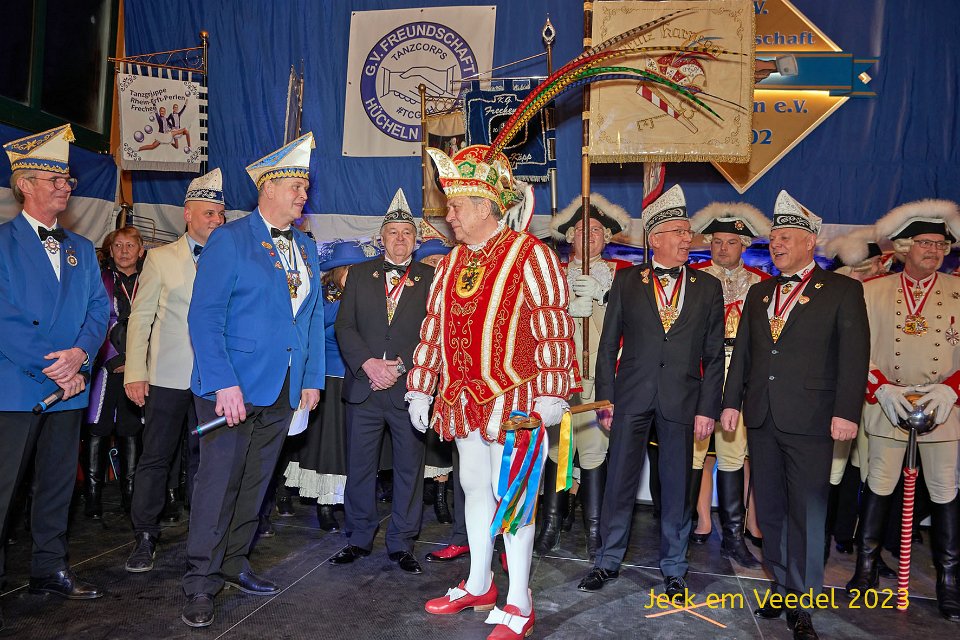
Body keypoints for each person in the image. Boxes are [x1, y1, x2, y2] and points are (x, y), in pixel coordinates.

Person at [407, 144, 574, 639]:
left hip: (516, 401)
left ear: (485, 207)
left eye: (457, 206)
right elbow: (433, 328)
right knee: (474, 487)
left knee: (514, 497)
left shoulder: (531, 254)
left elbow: (553, 325)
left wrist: (551, 391)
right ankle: (479, 583)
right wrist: (422, 388)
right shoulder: (451, 262)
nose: (449, 215)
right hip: (461, 401)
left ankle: (519, 599)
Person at [180, 133, 325, 627]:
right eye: (295, 186)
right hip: (233, 388)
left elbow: (309, 319)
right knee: (218, 483)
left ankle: (235, 561)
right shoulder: (230, 238)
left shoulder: (306, 247)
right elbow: (204, 316)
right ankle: (201, 579)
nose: (303, 195)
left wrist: (310, 378)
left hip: (283, 388)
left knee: (255, 483)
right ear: (268, 189)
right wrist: (223, 382)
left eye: (305, 187)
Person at [721, 190, 869, 640]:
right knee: (771, 510)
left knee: (806, 512)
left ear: (810, 242)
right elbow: (743, 355)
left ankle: (804, 602)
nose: (777, 243)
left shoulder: (842, 290)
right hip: (762, 417)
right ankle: (781, 585)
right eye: (773, 237)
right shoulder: (759, 292)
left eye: (786, 237)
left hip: (814, 419)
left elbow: (854, 357)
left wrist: (847, 412)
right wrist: (730, 402)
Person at [577, 185, 725, 601]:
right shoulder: (627, 281)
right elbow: (608, 345)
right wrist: (605, 399)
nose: (687, 239)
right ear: (655, 238)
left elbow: (714, 356)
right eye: (678, 232)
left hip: (682, 400)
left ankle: (675, 569)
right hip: (630, 397)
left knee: (676, 487)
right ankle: (607, 561)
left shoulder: (708, 287)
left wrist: (708, 408)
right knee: (619, 483)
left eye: (688, 232)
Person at [0, 125, 109, 608]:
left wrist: (81, 356)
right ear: (25, 185)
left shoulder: (81, 248)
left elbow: (99, 310)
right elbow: (5, 318)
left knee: (58, 487)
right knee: (4, 490)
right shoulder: (2, 243)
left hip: (69, 390)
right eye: (55, 179)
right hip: (17, 386)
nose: (66, 186)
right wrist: (56, 366)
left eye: (68, 179)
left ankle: (49, 568)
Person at [846, 199, 960, 621]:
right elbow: (853, 350)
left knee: (945, 489)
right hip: (887, 404)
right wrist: (880, 387)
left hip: (942, 407)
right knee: (878, 485)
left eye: (940, 244)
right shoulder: (870, 290)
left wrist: (951, 389)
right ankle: (866, 569)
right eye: (925, 243)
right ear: (904, 247)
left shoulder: (959, 291)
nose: (934, 251)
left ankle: (949, 579)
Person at [123, 168, 225, 573]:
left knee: (207, 460)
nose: (216, 220)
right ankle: (145, 535)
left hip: (213, 380)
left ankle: (203, 538)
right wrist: (135, 371)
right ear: (187, 214)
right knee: (156, 456)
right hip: (167, 378)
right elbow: (140, 318)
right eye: (208, 213)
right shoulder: (161, 258)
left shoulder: (231, 259)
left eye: (220, 214)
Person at [330, 189, 432, 574]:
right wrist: (368, 365)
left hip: (409, 391)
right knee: (360, 467)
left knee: (409, 469)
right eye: (393, 232)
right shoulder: (358, 274)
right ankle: (358, 538)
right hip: (364, 387)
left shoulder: (431, 278)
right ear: (381, 238)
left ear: (416, 240)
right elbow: (344, 326)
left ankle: (402, 542)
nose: (400, 238)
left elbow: (433, 332)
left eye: (407, 232)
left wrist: (400, 367)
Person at [540, 193, 631, 561]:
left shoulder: (623, 277)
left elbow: (635, 325)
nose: (588, 236)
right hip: (561, 378)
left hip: (600, 377)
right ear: (570, 237)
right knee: (559, 450)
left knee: (594, 452)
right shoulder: (552, 275)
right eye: (581, 230)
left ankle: (595, 529)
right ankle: (550, 524)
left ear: (606, 238)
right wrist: (565, 309)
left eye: (595, 230)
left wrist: (604, 298)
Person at [686, 201, 772, 569]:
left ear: (745, 245)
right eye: (718, 241)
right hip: (702, 371)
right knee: (695, 453)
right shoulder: (693, 278)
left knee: (734, 454)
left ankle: (734, 537)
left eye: (732, 242)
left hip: (741, 374)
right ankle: (692, 523)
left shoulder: (762, 283)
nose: (723, 248)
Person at [284, 239, 382, 532]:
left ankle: (348, 499)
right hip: (327, 379)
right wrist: (348, 305)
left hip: (357, 379)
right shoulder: (325, 298)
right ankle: (324, 504)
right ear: (336, 271)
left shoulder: (368, 296)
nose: (354, 273)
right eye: (348, 268)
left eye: (358, 268)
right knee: (325, 445)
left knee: (349, 444)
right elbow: (314, 326)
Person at [84, 226, 146, 518]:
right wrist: (113, 359)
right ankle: (92, 499)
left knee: (131, 429)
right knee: (98, 427)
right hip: (104, 364)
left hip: (141, 364)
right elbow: (92, 321)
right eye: (118, 245)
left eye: (130, 245)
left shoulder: (150, 278)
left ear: (141, 251)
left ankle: (130, 498)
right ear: (110, 250)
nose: (123, 251)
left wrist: (135, 360)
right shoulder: (98, 279)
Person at [415, 237, 456, 526]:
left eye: (441, 261)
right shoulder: (412, 291)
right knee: (419, 437)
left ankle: (441, 497)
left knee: (442, 439)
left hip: (448, 374)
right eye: (430, 261)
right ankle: (423, 491)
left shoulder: (454, 291)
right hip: (421, 372)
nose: (436, 266)